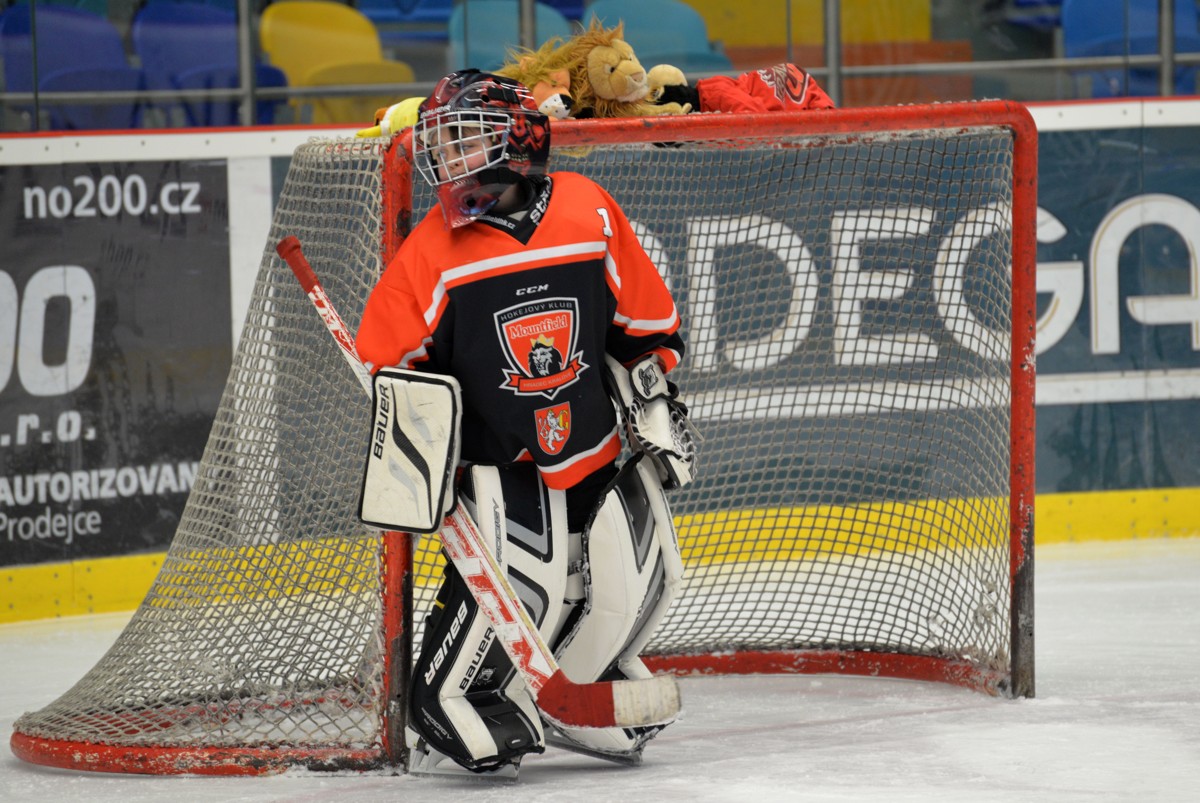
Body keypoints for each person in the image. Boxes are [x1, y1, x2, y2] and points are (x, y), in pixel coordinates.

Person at [355, 69, 693, 777]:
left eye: (465, 141)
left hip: (595, 444)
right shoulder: (432, 248)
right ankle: (452, 693)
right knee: (521, 574)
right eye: (442, 145)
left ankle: (585, 676)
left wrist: (655, 408)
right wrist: (422, 454)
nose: (449, 160)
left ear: (519, 140)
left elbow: (645, 328)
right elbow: (391, 362)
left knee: (638, 569)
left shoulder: (587, 207)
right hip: (498, 461)